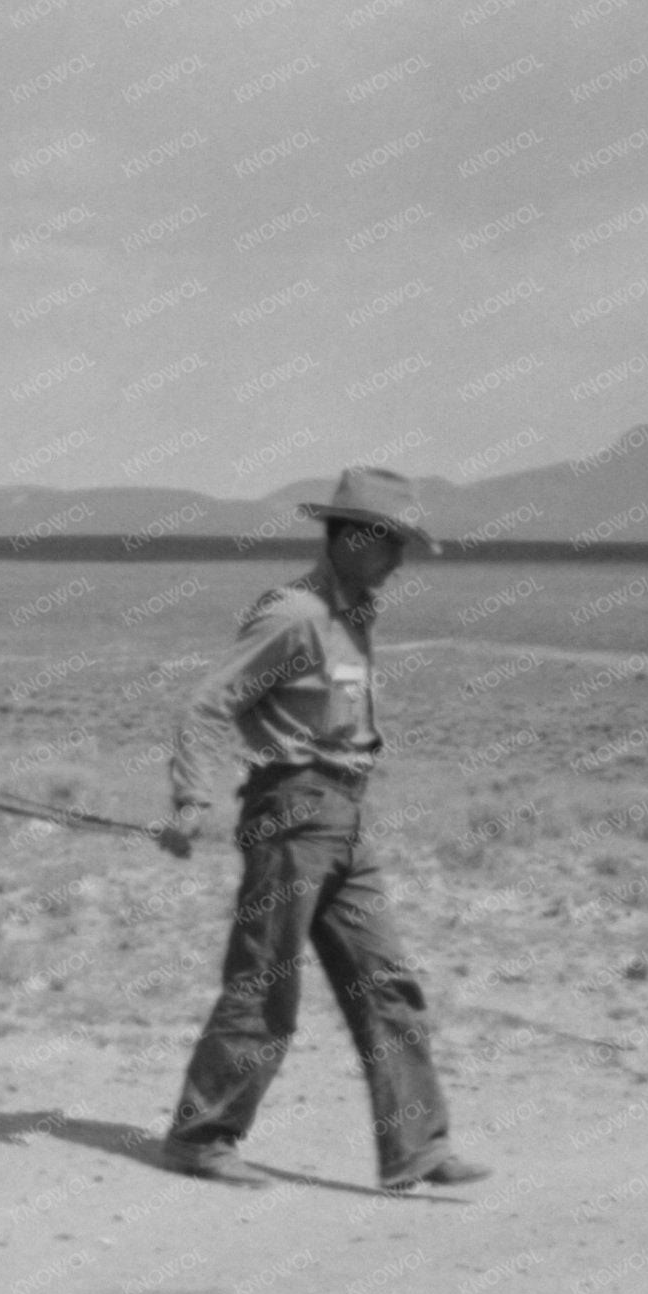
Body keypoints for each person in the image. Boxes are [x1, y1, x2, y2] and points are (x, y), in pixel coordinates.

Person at [152, 465, 487, 1193]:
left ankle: (418, 1147)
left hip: (345, 818)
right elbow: (207, 704)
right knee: (264, 986)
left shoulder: (355, 614)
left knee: (386, 980)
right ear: (352, 539)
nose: (399, 561)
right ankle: (199, 1135)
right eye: (390, 544)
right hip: (290, 815)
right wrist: (189, 800)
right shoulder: (293, 614)